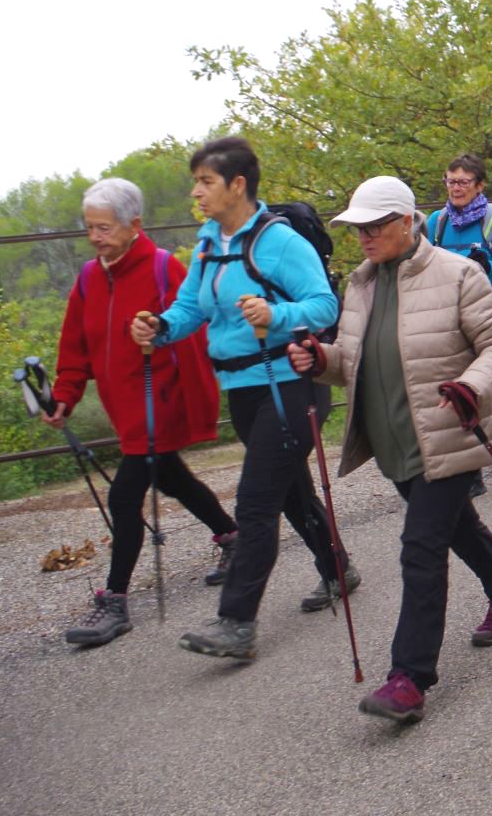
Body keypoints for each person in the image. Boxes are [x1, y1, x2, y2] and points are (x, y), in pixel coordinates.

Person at [287, 176, 492, 725]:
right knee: (456, 529)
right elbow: (352, 359)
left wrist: (471, 385)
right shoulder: (361, 284)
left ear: (405, 222)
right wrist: (320, 360)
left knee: (421, 548)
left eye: (374, 226)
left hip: (447, 433)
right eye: (358, 228)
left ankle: (409, 679)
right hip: (393, 440)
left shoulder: (457, 273)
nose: (364, 236)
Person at [129, 136, 351, 660]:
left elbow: (323, 307)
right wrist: (159, 327)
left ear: (237, 185)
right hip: (243, 392)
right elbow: (191, 309)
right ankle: (339, 568)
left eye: (205, 181)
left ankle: (237, 621)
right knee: (291, 492)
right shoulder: (207, 242)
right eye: (196, 182)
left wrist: (277, 317)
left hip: (288, 385)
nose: (196, 192)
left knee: (255, 502)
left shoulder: (281, 242)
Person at [44, 178, 233, 647]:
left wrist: (188, 402)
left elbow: (193, 334)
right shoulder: (89, 278)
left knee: (124, 499)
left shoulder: (164, 268)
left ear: (134, 225)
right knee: (173, 479)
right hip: (122, 407)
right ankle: (233, 538)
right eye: (90, 228)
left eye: (104, 227)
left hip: (159, 404)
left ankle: (115, 602)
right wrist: (65, 393)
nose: (95, 237)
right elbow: (76, 346)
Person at [423, 152, 492, 480]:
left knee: (479, 382)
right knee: (456, 384)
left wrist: (487, 267)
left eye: (463, 182)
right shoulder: (435, 223)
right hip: (446, 314)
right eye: (450, 181)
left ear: (479, 186)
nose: (455, 188)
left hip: (489, 312)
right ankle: (475, 468)